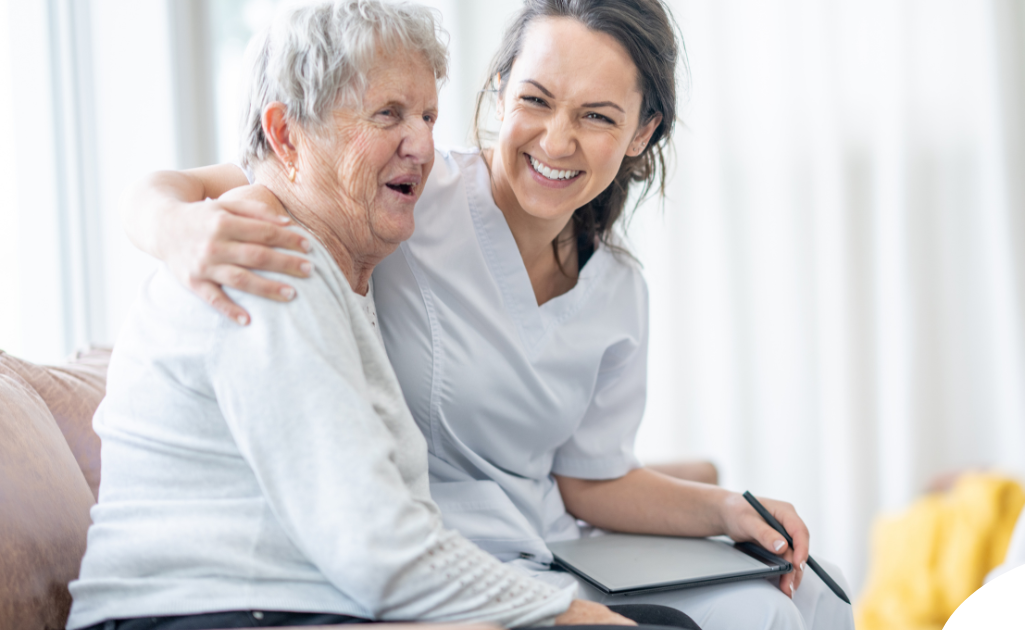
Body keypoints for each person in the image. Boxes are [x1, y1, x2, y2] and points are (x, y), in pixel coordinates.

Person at [122, 1, 856, 629]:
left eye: (597, 117)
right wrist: (170, 227)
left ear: (641, 134)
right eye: (535, 100)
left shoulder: (618, 290)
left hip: (550, 549)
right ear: (500, 91)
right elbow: (260, 174)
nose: (557, 140)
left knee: (813, 599)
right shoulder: (401, 191)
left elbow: (588, 479)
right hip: (437, 563)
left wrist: (726, 510)